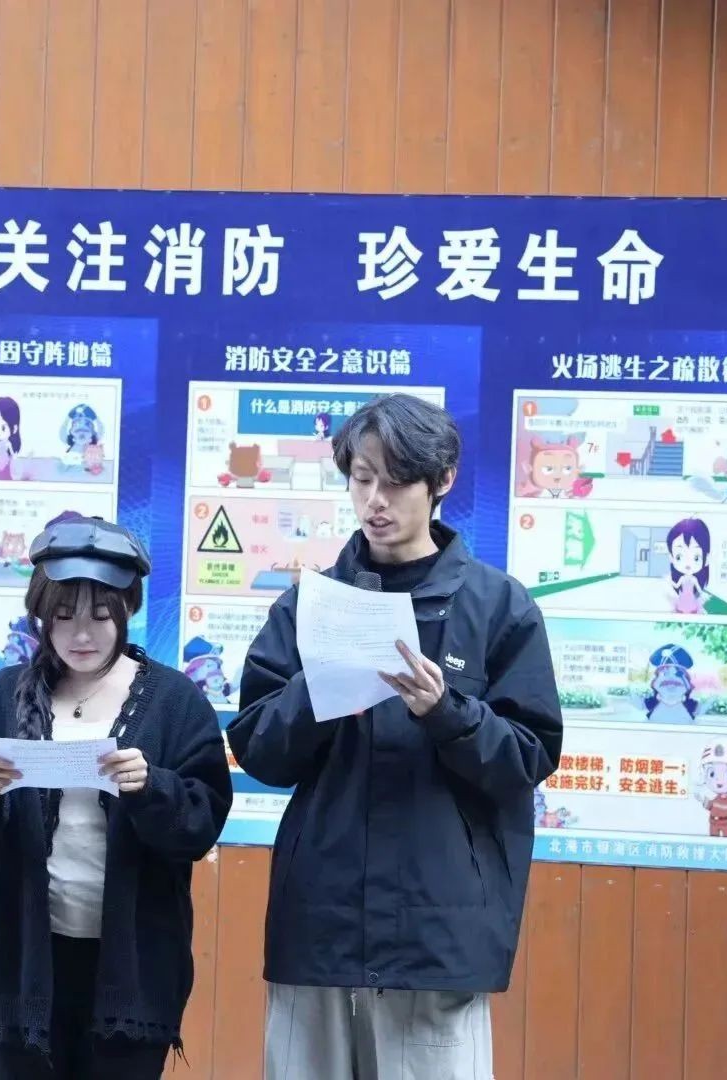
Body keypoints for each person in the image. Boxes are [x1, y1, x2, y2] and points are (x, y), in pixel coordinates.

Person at [227, 393, 564, 1080]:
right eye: (361, 479)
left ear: (442, 481)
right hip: (319, 925)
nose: (375, 501)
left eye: (397, 481)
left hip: (437, 935)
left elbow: (529, 755)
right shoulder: (308, 604)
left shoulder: (498, 606)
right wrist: (315, 692)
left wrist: (446, 712)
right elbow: (257, 747)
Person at [0, 515, 233, 1080]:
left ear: (127, 609)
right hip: (23, 966)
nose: (81, 635)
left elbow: (203, 821)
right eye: (63, 617)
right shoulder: (1, 697)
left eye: (100, 616)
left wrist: (152, 788)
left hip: (134, 968)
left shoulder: (174, 701)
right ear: (41, 616)